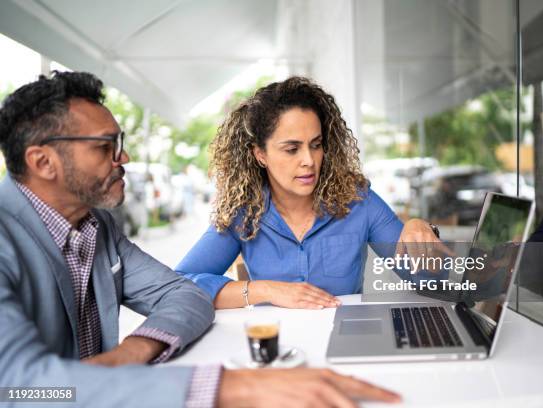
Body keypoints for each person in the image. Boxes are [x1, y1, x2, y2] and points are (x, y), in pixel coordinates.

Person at [0, 72, 401, 407]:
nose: (125, 158)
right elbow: (21, 389)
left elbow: (183, 294)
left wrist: (127, 355)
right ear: (42, 162)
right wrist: (227, 386)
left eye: (315, 145)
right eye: (107, 147)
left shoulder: (96, 228)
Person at [177, 76, 441, 310]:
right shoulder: (244, 213)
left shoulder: (358, 200)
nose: (309, 160)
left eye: (315, 145)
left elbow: (433, 281)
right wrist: (267, 290)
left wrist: (419, 227)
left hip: (346, 344)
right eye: (292, 149)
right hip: (278, 353)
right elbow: (180, 286)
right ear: (260, 155)